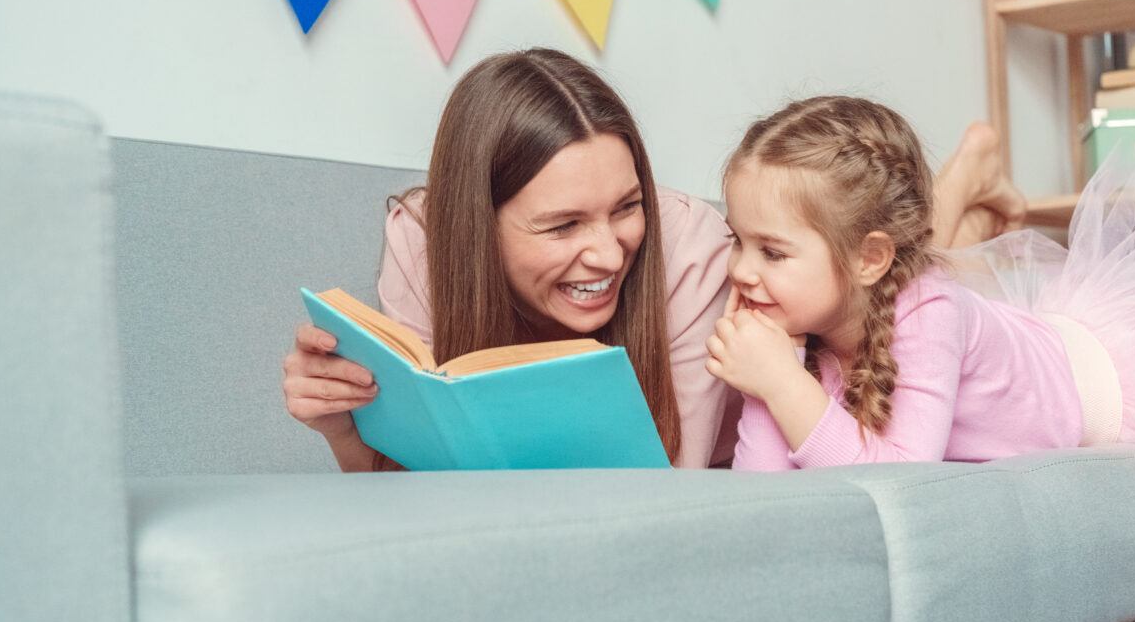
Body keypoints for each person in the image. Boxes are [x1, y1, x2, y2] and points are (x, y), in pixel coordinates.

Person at [706, 93, 1135, 622]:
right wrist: (770, 379)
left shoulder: (928, 310)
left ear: (870, 258)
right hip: (1021, 357)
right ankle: (977, 195)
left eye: (771, 251)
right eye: (738, 242)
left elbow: (902, 480)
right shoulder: (800, 335)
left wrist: (775, 382)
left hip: (1113, 383)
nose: (742, 269)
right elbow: (765, 497)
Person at [282, 48, 1025, 472]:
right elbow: (408, 488)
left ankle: (957, 187)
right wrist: (347, 427)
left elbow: (679, 488)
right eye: (563, 224)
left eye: (626, 207)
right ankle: (961, 187)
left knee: (913, 292)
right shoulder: (420, 238)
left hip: (896, 309)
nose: (608, 251)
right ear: (477, 226)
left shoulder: (697, 252)